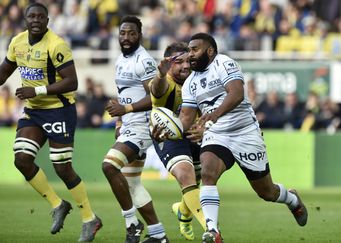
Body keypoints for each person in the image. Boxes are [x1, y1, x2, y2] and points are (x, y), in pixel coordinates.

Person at [176, 33, 308, 243]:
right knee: (208, 173)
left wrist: (214, 115)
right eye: (189, 50)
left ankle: (292, 199)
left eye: (194, 50)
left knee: (266, 192)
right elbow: (186, 117)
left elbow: (236, 94)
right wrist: (169, 130)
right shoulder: (191, 82)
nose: (190, 54)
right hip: (216, 134)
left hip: (245, 132)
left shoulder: (224, 63)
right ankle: (212, 231)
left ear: (209, 51)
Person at [0, 3, 102, 242]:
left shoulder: (56, 45)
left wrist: (36, 91)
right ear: (25, 19)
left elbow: (72, 82)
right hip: (34, 112)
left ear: (47, 20)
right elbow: (4, 72)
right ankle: (58, 204)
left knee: (61, 167)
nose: (35, 20)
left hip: (59, 110)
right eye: (31, 16)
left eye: (40, 16)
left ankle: (89, 218)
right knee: (21, 159)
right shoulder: (17, 42)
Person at [102, 16, 168, 243]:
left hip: (142, 125)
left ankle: (132, 222)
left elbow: (157, 97)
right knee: (132, 184)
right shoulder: (121, 58)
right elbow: (123, 92)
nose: (126, 37)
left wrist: (126, 109)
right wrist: (120, 121)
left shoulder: (144, 61)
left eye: (131, 33)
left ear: (140, 35)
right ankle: (158, 234)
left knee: (109, 166)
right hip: (129, 124)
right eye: (123, 33)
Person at [149, 42, 207, 240]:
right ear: (168, 64)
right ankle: (211, 229)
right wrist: (160, 74)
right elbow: (157, 91)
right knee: (185, 174)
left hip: (193, 134)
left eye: (188, 61)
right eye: (178, 61)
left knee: (202, 178)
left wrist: (204, 128)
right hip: (167, 134)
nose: (185, 66)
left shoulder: (197, 81)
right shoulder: (164, 82)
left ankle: (183, 211)